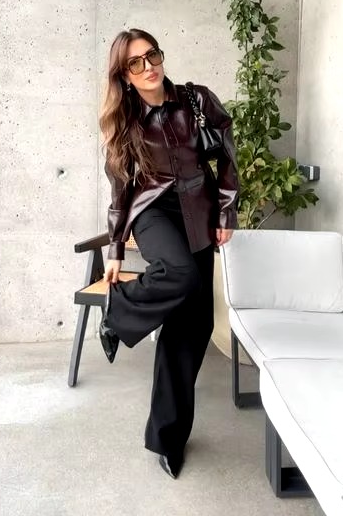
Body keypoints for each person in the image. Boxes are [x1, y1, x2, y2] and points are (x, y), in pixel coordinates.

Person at [98, 28, 239, 479]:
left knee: (191, 327)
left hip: (199, 210)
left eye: (152, 55)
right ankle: (117, 312)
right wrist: (115, 248)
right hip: (154, 212)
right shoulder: (125, 121)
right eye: (135, 63)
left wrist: (226, 212)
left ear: (161, 56)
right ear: (125, 75)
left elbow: (227, 155)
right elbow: (120, 190)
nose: (148, 67)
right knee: (180, 274)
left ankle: (167, 439)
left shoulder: (196, 100)